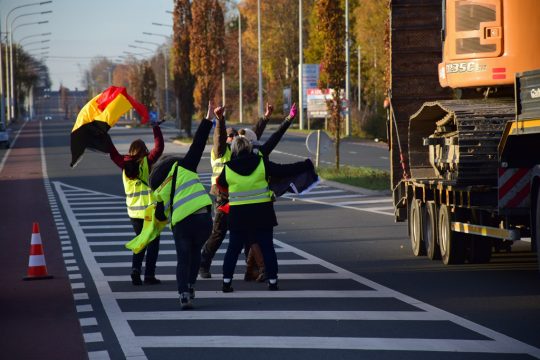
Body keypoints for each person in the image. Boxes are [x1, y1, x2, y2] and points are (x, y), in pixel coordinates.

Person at [199, 103, 297, 281]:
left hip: (240, 201)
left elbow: (253, 136)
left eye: (235, 136)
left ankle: (252, 269)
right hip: (223, 199)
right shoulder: (220, 151)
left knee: (249, 237)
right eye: (230, 136)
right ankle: (204, 263)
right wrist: (220, 120)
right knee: (218, 234)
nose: (233, 138)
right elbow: (219, 138)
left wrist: (265, 118)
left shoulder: (241, 151)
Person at [217, 131, 314, 292]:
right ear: (250, 148)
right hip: (262, 213)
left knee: (233, 248)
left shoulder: (228, 169)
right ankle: (273, 281)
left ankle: (227, 282)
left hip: (238, 215)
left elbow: (220, 186)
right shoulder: (262, 163)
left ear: (234, 150)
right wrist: (306, 164)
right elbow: (284, 170)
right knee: (267, 246)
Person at [149, 102, 214, 309]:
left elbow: (160, 215)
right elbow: (198, 144)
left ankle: (183, 293)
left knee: (182, 258)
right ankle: (192, 285)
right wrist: (208, 118)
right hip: (204, 220)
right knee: (196, 254)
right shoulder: (185, 167)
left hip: (182, 225)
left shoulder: (160, 188)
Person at [109, 121, 164, 286]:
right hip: (149, 211)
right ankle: (149, 275)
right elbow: (159, 147)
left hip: (133, 212)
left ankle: (135, 269)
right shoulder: (146, 162)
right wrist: (156, 128)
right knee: (153, 241)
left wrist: (104, 134)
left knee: (140, 240)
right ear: (143, 151)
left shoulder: (124, 165)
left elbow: (112, 153)